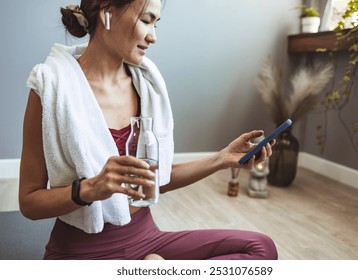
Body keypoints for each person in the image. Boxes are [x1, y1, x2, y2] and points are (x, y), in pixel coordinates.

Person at [19, 0, 278, 260]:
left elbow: (155, 179)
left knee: (260, 248)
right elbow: (29, 202)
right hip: (84, 250)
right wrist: (89, 188)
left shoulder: (147, 86)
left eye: (156, 24)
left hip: (145, 238)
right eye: (145, 20)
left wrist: (222, 159)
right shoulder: (52, 88)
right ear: (107, 13)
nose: (153, 37)